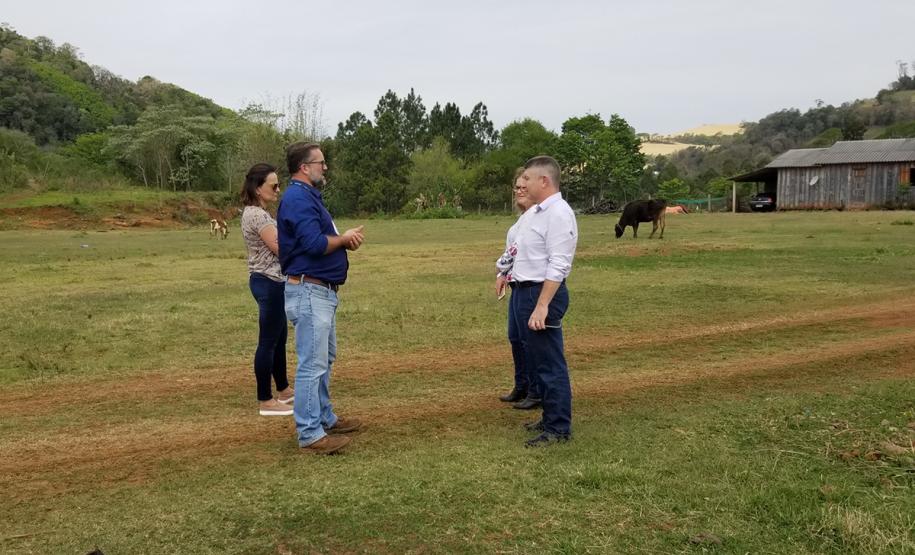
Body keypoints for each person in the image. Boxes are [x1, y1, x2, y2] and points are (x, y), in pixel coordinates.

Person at [277, 142, 366, 455]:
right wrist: (342, 239)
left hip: (319, 292)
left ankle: (324, 417)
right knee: (311, 365)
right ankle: (310, 432)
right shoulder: (297, 199)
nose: (325, 167)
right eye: (320, 162)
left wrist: (342, 243)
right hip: (309, 291)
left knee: (322, 360)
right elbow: (314, 244)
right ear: (304, 167)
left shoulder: (306, 197)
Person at [510, 156, 578, 447]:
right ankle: (550, 415)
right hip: (526, 291)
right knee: (538, 361)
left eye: (527, 179)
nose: (522, 184)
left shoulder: (559, 214)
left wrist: (542, 305)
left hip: (542, 293)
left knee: (550, 363)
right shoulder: (536, 213)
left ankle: (558, 428)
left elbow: (559, 265)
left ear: (544, 181)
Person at [240, 163, 294, 416]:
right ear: (258, 188)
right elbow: (280, 248)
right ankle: (265, 399)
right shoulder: (258, 216)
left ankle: (283, 390)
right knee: (268, 341)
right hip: (269, 281)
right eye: (273, 185)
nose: (278, 189)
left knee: (278, 338)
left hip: (269, 280)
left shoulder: (254, 212)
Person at [495, 169, 541, 410]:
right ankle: (521, 385)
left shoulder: (537, 217)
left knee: (528, 340)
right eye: (517, 187)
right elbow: (511, 252)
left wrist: (501, 269)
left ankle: (536, 390)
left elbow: (517, 251)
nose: (519, 191)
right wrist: (503, 274)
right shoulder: (520, 221)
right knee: (515, 338)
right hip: (516, 285)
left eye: (525, 187)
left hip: (531, 285)